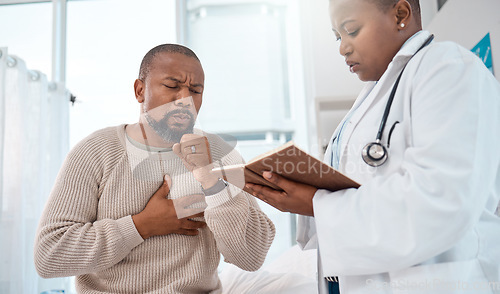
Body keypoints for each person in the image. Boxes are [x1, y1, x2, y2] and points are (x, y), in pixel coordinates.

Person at [245, 0, 500, 293]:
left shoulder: (450, 67)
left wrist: (316, 203)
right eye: (337, 37)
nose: (342, 48)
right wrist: (304, 196)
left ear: (400, 14)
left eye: (351, 30)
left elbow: (443, 200)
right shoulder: (369, 99)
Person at [34, 44, 275, 293]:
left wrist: (211, 182)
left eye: (196, 90)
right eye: (172, 86)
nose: (185, 100)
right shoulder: (95, 151)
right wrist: (142, 225)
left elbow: (252, 257)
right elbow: (49, 255)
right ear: (140, 91)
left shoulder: (220, 152)